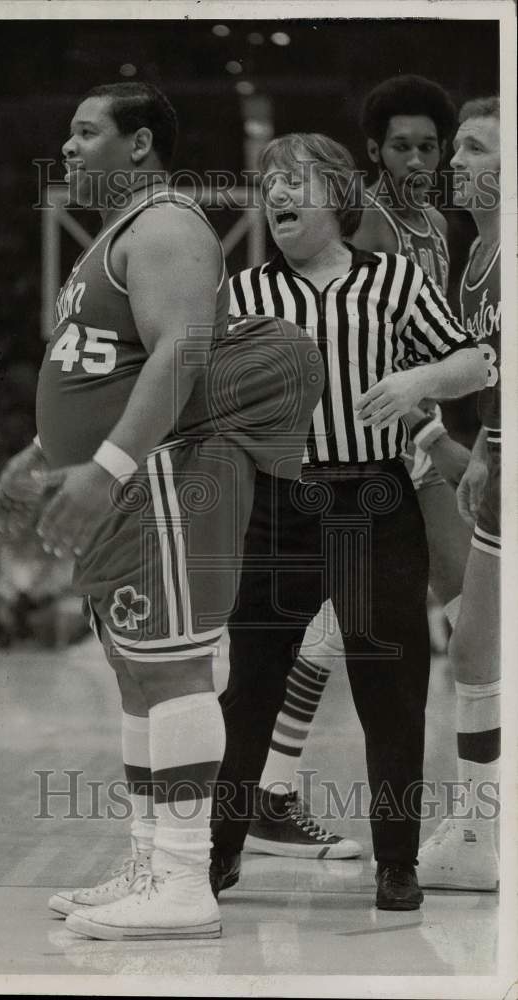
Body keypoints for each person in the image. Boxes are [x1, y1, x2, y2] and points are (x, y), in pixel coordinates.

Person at [0, 83, 322, 940]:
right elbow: (99, 370)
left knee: (173, 670)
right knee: (140, 675)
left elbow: (181, 350)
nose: (65, 148)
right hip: (126, 481)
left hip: (168, 474)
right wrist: (36, 460)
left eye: (85, 131)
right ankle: (150, 862)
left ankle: (181, 879)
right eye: (66, 133)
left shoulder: (169, 223)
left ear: (139, 146)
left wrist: (101, 468)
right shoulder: (113, 238)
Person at [211, 132, 486, 911]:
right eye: (268, 184)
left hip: (374, 497)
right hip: (278, 502)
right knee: (251, 686)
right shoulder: (242, 294)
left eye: (293, 182)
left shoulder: (393, 281)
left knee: (392, 687)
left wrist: (418, 381)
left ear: (335, 193)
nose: (277, 196)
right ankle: (220, 849)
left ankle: (395, 862)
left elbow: (477, 361)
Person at [416, 97, 501, 891]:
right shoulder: (473, 250)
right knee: (474, 648)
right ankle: (481, 822)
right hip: (496, 456)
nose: (458, 162)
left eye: (476, 148)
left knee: (475, 649)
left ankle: (483, 829)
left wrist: (489, 450)